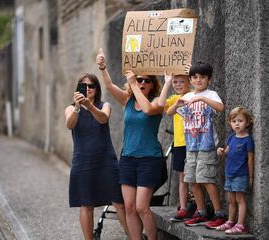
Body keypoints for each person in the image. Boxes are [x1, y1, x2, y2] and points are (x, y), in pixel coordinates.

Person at [96, 49, 164, 240]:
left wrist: (133, 84)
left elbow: (148, 109)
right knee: (129, 207)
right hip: (127, 158)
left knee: (142, 207)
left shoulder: (157, 102)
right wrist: (102, 67)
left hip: (149, 159)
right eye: (139, 79)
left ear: (153, 84)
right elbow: (109, 86)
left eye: (147, 80)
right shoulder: (127, 100)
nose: (142, 83)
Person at [65, 73, 129, 240]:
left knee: (119, 203)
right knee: (86, 205)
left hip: (106, 161)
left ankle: (133, 236)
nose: (87, 89)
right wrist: (79, 107)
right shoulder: (71, 108)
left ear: (97, 89)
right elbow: (69, 124)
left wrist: (90, 106)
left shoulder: (104, 105)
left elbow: (103, 118)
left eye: (91, 86)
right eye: (83, 85)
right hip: (83, 161)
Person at [168, 62, 227, 228]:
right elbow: (169, 112)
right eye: (194, 77)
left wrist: (202, 98)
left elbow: (221, 108)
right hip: (191, 147)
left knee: (206, 179)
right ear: (190, 79)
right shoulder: (186, 97)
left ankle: (219, 213)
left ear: (209, 79)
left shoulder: (211, 94)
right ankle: (201, 212)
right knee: (192, 180)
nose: (198, 80)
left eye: (202, 77)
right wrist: (176, 105)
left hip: (206, 146)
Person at [158, 71, 192, 221]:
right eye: (175, 82)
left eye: (182, 81)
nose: (178, 85)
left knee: (197, 178)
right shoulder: (173, 99)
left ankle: (199, 206)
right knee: (182, 178)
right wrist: (166, 82)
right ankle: (184, 207)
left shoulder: (193, 96)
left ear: (189, 82)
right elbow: (164, 108)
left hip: (195, 143)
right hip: (180, 144)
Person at [215, 107, 254, 235]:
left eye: (240, 121)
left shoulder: (248, 140)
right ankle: (230, 221)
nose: (237, 124)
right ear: (230, 122)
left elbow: (250, 160)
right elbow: (228, 151)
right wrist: (221, 151)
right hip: (229, 173)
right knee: (231, 200)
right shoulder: (231, 137)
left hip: (240, 175)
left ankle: (240, 225)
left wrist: (251, 177)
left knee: (240, 199)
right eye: (234, 121)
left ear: (247, 123)